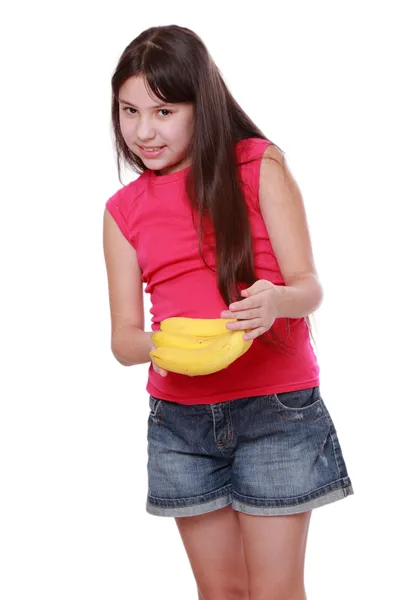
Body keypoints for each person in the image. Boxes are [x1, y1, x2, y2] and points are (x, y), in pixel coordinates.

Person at [103, 24, 354, 600]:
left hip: (277, 411)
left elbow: (309, 286)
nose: (144, 130)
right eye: (129, 110)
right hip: (181, 423)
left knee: (275, 591)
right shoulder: (122, 212)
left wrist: (276, 302)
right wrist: (170, 344)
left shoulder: (259, 166)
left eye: (164, 111)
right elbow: (123, 339)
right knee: (221, 593)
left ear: (201, 104)